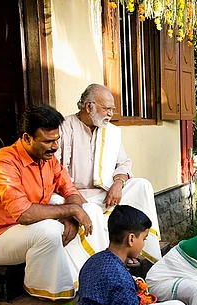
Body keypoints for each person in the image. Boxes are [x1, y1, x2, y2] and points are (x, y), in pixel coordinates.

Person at [0, 104, 107, 300]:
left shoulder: (48, 158)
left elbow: (70, 191)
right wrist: (69, 211)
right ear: (27, 138)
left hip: (32, 229)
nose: (54, 147)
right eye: (47, 141)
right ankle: (49, 290)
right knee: (50, 230)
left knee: (91, 210)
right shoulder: (3, 163)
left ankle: (95, 275)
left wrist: (71, 216)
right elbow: (24, 214)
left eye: (56, 140)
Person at [56, 83, 162, 265]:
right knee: (93, 212)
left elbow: (124, 163)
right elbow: (55, 170)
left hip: (105, 193)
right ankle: (110, 260)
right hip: (75, 195)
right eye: (107, 108)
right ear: (89, 107)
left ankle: (134, 249)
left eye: (112, 109)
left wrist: (118, 183)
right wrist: (74, 196)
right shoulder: (65, 127)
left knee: (142, 185)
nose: (110, 114)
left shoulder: (110, 131)